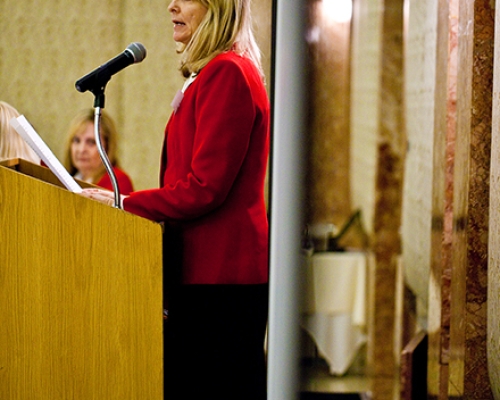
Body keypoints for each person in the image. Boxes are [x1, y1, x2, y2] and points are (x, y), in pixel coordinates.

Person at [81, 0, 270, 398]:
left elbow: (206, 187)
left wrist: (123, 203)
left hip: (220, 275)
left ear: (217, 8)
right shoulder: (211, 73)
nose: (171, 6)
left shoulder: (227, 73)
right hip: (204, 272)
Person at [64, 108, 134, 194]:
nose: (81, 149)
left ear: (107, 147)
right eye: (77, 140)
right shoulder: (65, 180)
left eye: (91, 142)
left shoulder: (118, 182)